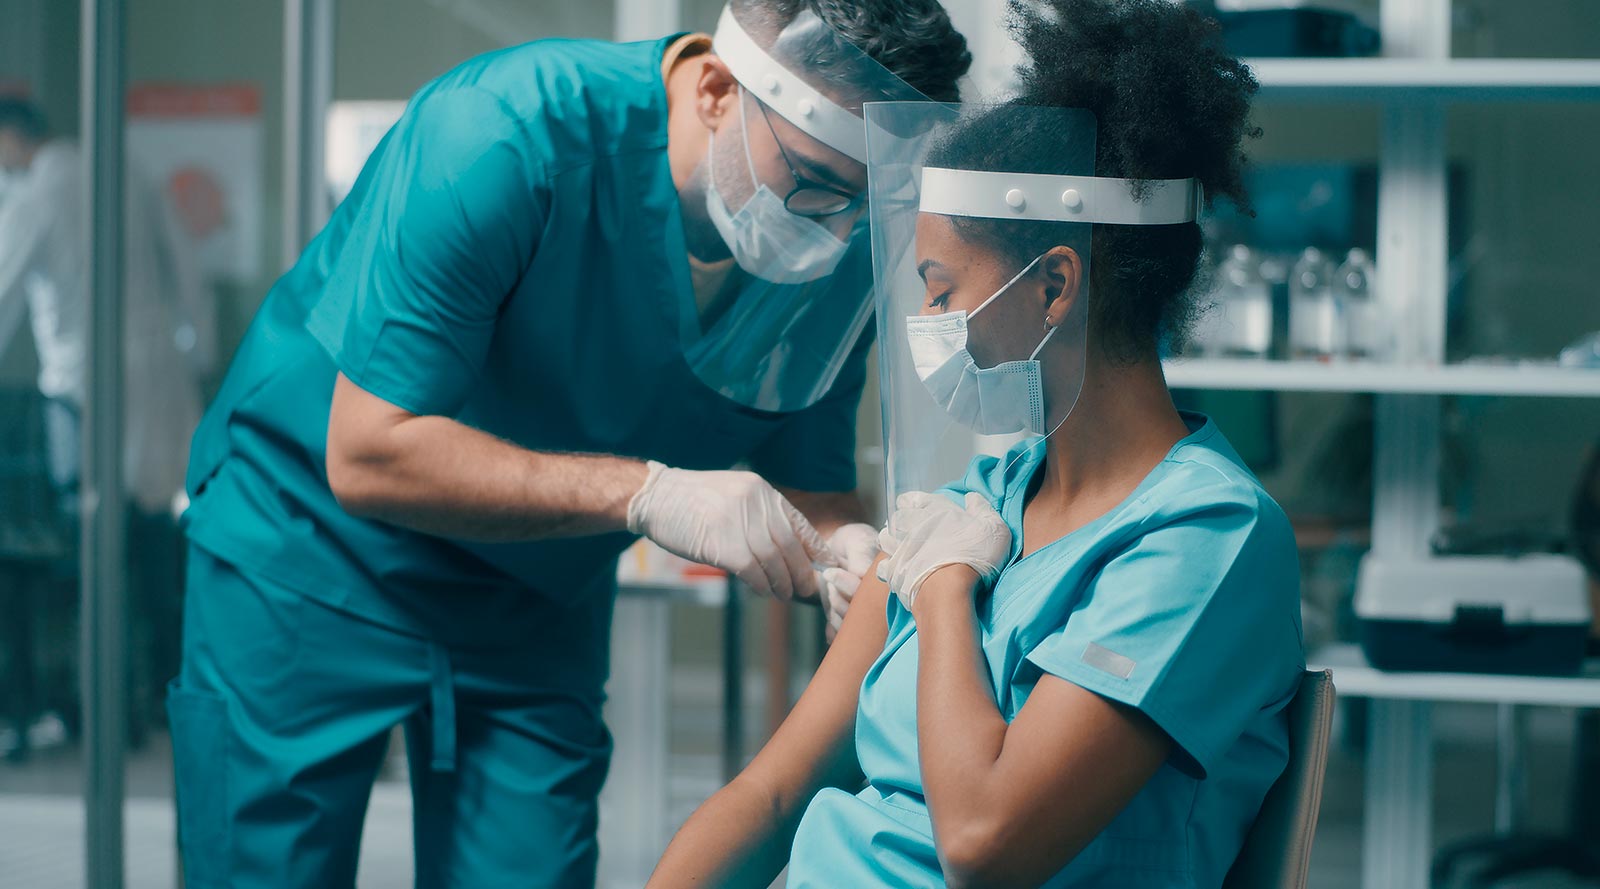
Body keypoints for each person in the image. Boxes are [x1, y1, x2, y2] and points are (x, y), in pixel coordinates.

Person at [168, 3, 971, 887]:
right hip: (308, 557)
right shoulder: (505, 134)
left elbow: (809, 467)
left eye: (866, 203)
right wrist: (651, 493)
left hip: (535, 593)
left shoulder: (834, 247)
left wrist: (849, 549)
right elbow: (367, 452)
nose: (837, 232)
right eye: (817, 182)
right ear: (713, 89)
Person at [648, 2, 1304, 886]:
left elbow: (986, 841)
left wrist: (947, 589)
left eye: (943, 287)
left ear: (1056, 286)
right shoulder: (982, 499)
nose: (925, 323)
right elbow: (772, 794)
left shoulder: (1207, 538)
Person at [0, 97, 212, 747]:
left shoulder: (38, 194)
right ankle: (169, 700)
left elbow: (1, 290)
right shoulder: (124, 171)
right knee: (160, 552)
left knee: (96, 557)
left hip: (84, 396)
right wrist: (197, 356)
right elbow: (188, 271)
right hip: (161, 386)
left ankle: (112, 712)